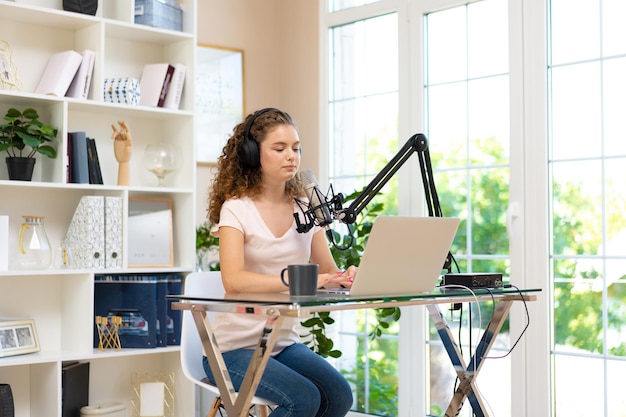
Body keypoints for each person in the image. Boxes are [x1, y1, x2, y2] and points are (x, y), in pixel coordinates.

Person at [205, 107, 357, 416]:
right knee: (303, 399)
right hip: (231, 350)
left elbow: (328, 271)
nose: (292, 156)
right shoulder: (236, 209)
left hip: (281, 343)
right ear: (252, 154)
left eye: (296, 148)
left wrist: (343, 277)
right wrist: (298, 280)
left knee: (339, 396)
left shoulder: (304, 208)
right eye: (280, 148)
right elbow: (233, 280)